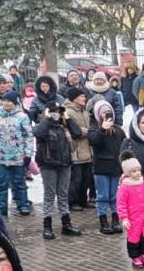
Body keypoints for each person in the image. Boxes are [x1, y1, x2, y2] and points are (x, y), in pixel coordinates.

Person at [33, 100, 82, 240]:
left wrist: (66, 117)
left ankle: (66, 224)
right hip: (48, 165)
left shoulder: (63, 126)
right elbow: (39, 134)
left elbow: (77, 133)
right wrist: (46, 118)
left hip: (65, 164)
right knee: (49, 194)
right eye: (53, 111)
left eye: (58, 111)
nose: (56, 114)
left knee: (63, 194)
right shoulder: (42, 125)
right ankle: (47, 226)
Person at [0, 90, 34, 217]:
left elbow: (28, 136)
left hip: (18, 156)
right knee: (0, 182)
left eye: (9, 101)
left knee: (19, 182)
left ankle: (23, 204)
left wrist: (28, 154)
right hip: (0, 156)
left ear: (15, 102)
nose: (6, 103)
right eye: (5, 101)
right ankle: (1, 206)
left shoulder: (22, 117)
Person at [89, 102, 126, 234]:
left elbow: (124, 147)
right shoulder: (94, 129)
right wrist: (103, 129)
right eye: (103, 112)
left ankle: (116, 220)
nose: (106, 114)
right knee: (103, 196)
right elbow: (93, 142)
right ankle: (103, 221)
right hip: (101, 168)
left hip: (115, 167)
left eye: (108, 112)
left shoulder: (119, 130)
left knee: (114, 196)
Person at [64, 86, 95, 212]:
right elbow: (73, 130)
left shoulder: (84, 111)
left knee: (86, 178)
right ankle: (73, 202)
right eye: (81, 96)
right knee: (76, 179)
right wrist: (90, 132)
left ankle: (83, 200)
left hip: (87, 150)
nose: (84, 98)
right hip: (76, 151)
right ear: (74, 98)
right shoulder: (68, 112)